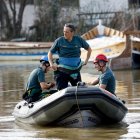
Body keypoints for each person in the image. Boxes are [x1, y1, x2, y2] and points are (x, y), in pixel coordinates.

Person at [48, 23, 92, 90]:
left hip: (75, 71)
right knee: (61, 90)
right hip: (62, 71)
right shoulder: (59, 41)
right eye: (64, 32)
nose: (64, 33)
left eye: (67, 32)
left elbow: (89, 49)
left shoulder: (79, 40)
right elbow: (50, 53)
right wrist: (51, 64)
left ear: (72, 33)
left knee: (79, 90)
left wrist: (86, 61)